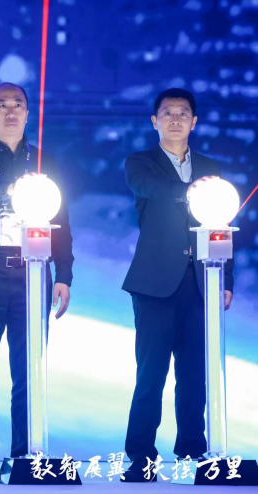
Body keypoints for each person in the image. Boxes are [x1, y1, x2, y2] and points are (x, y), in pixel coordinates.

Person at [0, 82, 74, 481]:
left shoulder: (44, 162)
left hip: (33, 272)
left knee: (29, 371)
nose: (10, 111)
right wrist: (18, 189)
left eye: (18, 104)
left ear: (28, 113)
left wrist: (64, 274)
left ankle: (25, 456)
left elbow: (61, 221)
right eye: (1, 105)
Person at [121, 87, 233, 482]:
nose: (175, 119)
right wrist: (194, 191)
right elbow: (151, 189)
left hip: (202, 282)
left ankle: (193, 455)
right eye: (167, 113)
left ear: (194, 122)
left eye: (182, 113)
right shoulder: (141, 163)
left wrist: (226, 278)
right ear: (155, 121)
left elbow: (221, 225)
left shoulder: (211, 168)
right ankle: (140, 459)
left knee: (194, 376)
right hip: (154, 285)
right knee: (150, 376)